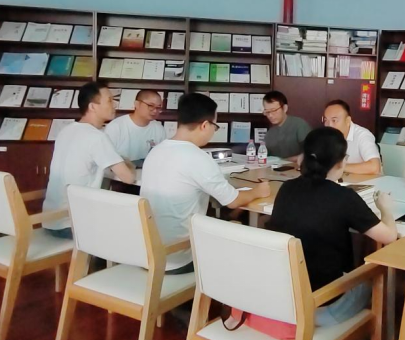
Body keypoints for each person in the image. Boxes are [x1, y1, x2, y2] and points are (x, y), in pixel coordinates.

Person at [266, 127, 397, 328]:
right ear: (341, 162)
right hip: (323, 306)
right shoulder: (344, 197)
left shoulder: (286, 188)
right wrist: (386, 209)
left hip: (283, 299)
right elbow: (389, 236)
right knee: (373, 277)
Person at [141, 93, 271, 274]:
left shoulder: (156, 151)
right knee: (244, 237)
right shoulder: (198, 158)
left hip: (146, 253)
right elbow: (233, 201)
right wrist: (258, 191)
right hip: (179, 258)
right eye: (215, 126)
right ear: (204, 125)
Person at [42, 81, 136, 239]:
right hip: (73, 223)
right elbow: (129, 178)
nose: (115, 105)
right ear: (93, 106)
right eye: (109, 100)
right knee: (134, 224)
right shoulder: (96, 137)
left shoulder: (66, 131)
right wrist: (128, 164)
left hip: (51, 220)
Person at [104, 89, 167, 162]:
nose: (155, 110)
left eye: (158, 107)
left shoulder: (159, 129)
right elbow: (106, 158)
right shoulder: (116, 127)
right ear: (137, 104)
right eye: (151, 105)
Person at [322, 100, 381, 175]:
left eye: (334, 120)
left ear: (348, 120)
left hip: (368, 181)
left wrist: (339, 168)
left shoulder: (363, 135)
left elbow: (375, 167)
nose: (329, 125)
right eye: (326, 120)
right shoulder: (326, 136)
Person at [262, 91, 311, 162]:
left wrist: (284, 161)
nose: (270, 115)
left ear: (285, 108)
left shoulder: (299, 125)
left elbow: (311, 152)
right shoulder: (269, 133)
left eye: (274, 110)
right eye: (267, 112)